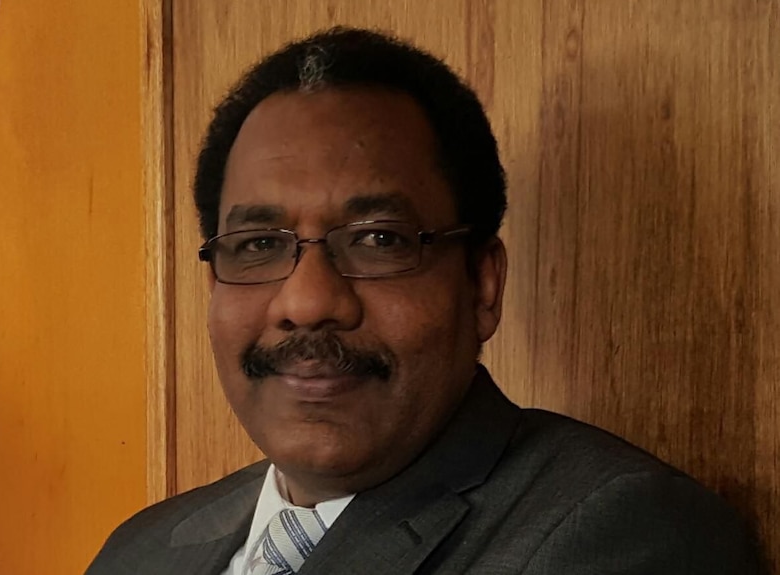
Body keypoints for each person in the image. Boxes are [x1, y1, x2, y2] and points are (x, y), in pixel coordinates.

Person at [86, 27, 763, 574]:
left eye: (378, 238)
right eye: (259, 244)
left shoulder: (617, 533)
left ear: (482, 284)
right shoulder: (142, 548)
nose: (308, 300)